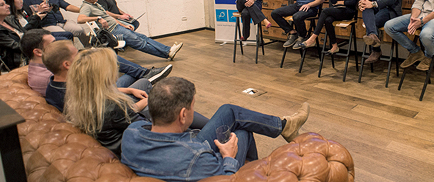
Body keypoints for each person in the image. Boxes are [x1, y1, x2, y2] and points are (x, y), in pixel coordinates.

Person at [121, 77, 310, 181]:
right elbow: (225, 178)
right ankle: (254, 172)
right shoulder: (196, 158)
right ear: (183, 115)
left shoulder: (131, 133)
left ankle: (285, 126)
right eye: (193, 106)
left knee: (230, 111)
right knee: (241, 132)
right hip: (188, 157)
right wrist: (228, 157)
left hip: (178, 149)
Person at [65, 48, 206, 157]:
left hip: (129, 133)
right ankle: (207, 127)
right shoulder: (112, 107)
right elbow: (154, 131)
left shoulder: (80, 97)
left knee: (146, 89)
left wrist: (132, 93)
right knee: (225, 111)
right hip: (145, 144)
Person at [22, 28, 173, 99]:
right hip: (101, 98)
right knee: (144, 84)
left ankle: (145, 74)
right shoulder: (51, 75)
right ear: (38, 52)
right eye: (53, 43)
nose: (57, 45)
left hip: (99, 93)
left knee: (129, 72)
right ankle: (146, 76)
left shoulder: (45, 68)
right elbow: (96, 94)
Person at [78, 0, 183, 60]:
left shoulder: (95, 4)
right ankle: (167, 53)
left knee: (143, 37)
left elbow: (109, 17)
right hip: (112, 31)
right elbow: (80, 19)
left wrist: (124, 25)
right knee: (139, 42)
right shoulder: (86, 7)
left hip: (117, 27)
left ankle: (168, 50)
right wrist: (98, 18)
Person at [22, 0, 88, 45]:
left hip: (61, 22)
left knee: (80, 30)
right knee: (64, 35)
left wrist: (83, 11)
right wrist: (39, 12)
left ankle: (89, 48)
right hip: (47, 25)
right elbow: (29, 18)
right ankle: (71, 53)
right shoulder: (28, 1)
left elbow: (67, 6)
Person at [0, 0, 74, 41]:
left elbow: (30, 22)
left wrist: (41, 13)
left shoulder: (20, 11)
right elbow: (24, 31)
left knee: (69, 34)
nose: (21, 1)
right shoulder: (9, 17)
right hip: (31, 38)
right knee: (64, 38)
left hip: (37, 32)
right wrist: (37, 15)